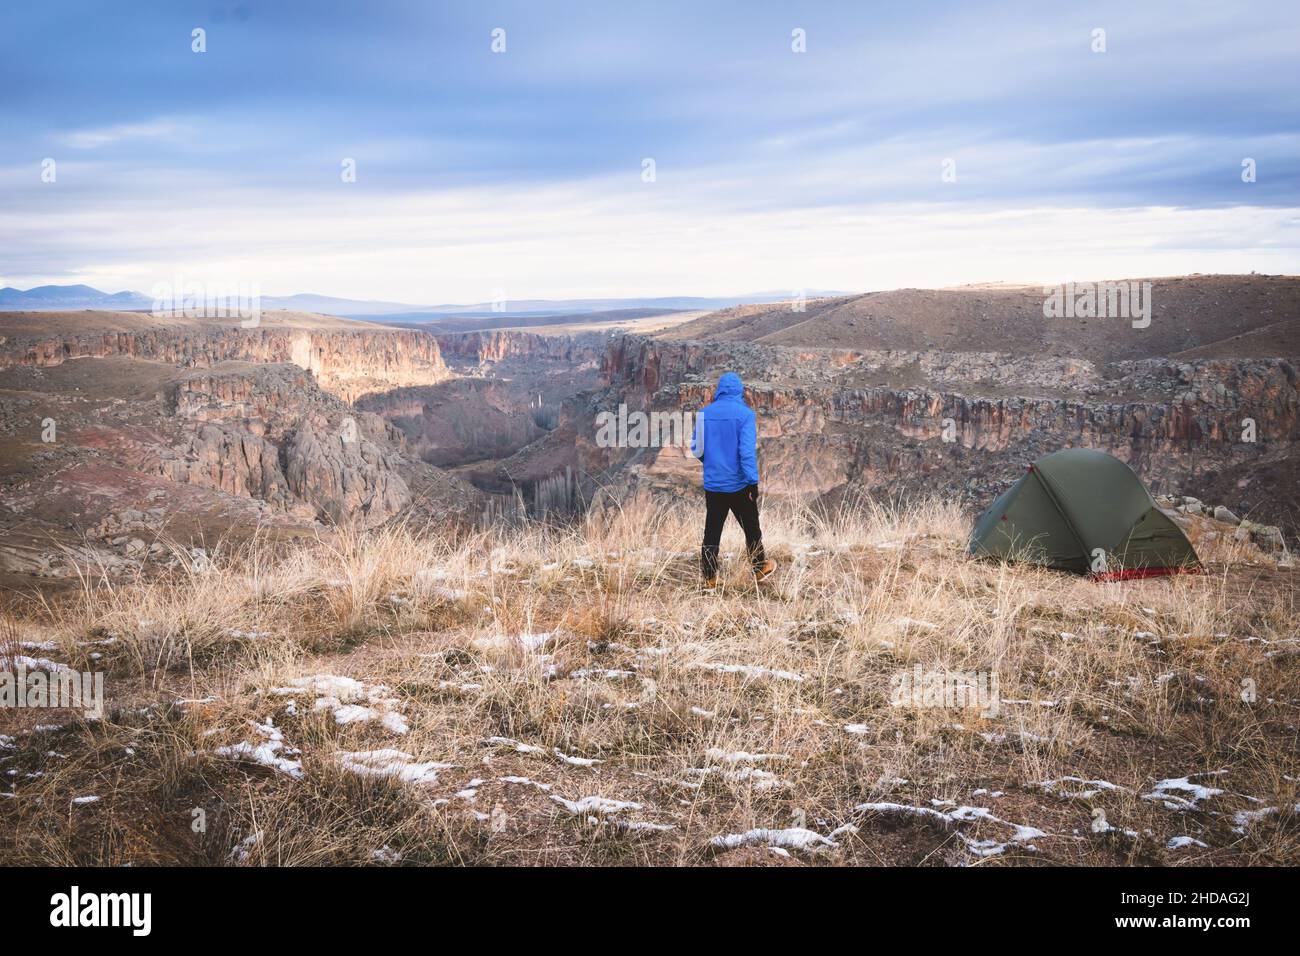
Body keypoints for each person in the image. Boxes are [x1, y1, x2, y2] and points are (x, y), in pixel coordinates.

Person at [689, 372, 777, 589]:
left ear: (719, 390)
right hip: (739, 485)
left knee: (712, 531)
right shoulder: (745, 415)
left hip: (714, 484)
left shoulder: (703, 414)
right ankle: (759, 568)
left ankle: (710, 578)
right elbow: (746, 452)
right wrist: (752, 482)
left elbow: (697, 449)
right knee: (751, 528)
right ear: (739, 390)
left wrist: (712, 463)